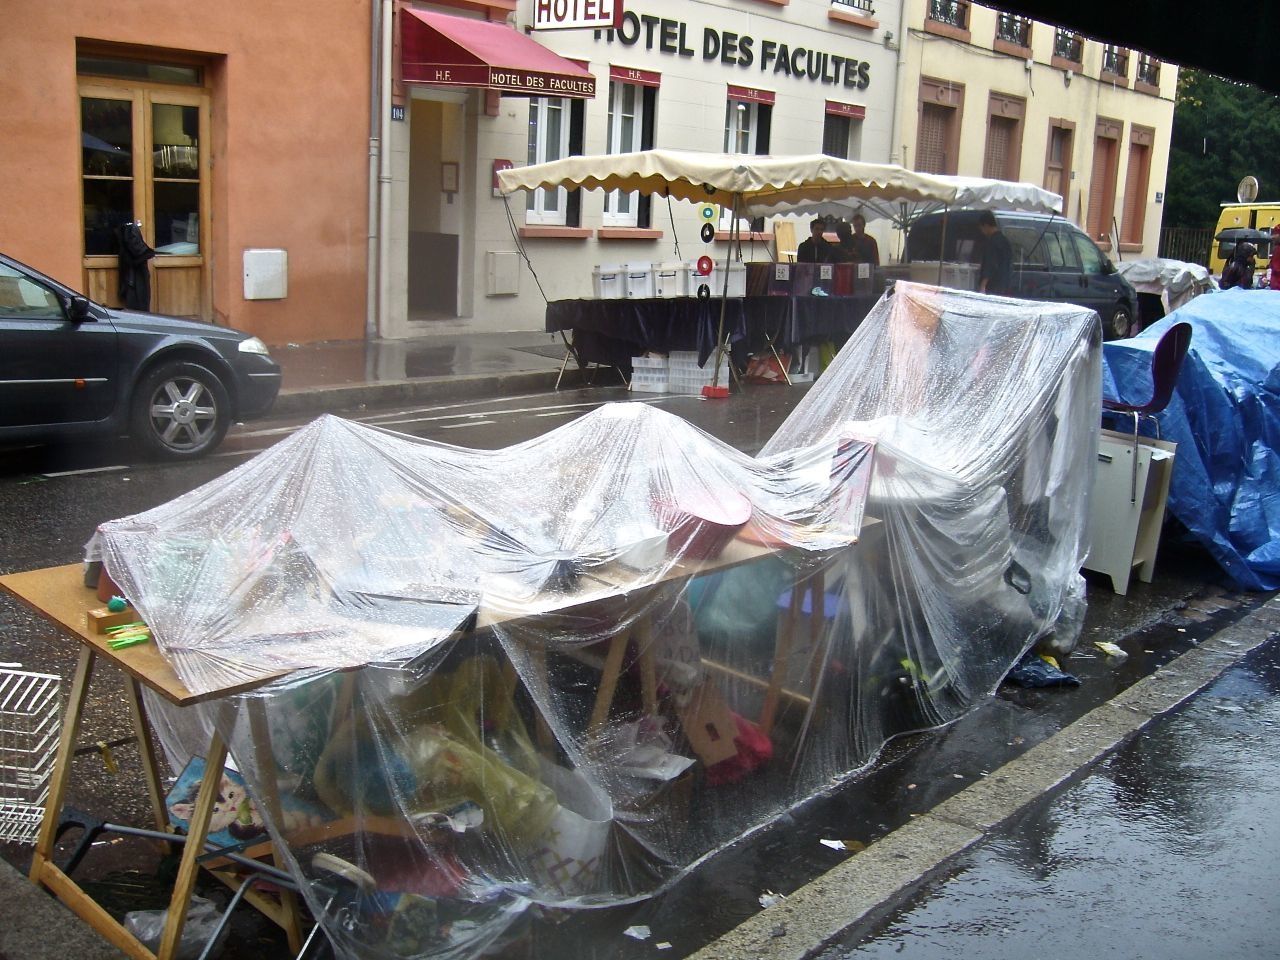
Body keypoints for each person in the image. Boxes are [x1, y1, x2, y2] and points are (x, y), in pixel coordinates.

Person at [977, 210, 1013, 296]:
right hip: (1005, 285)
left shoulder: (992, 242)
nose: (982, 232)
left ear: (986, 226)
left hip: (992, 286)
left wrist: (983, 285)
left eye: (981, 228)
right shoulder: (1005, 241)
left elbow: (990, 265)